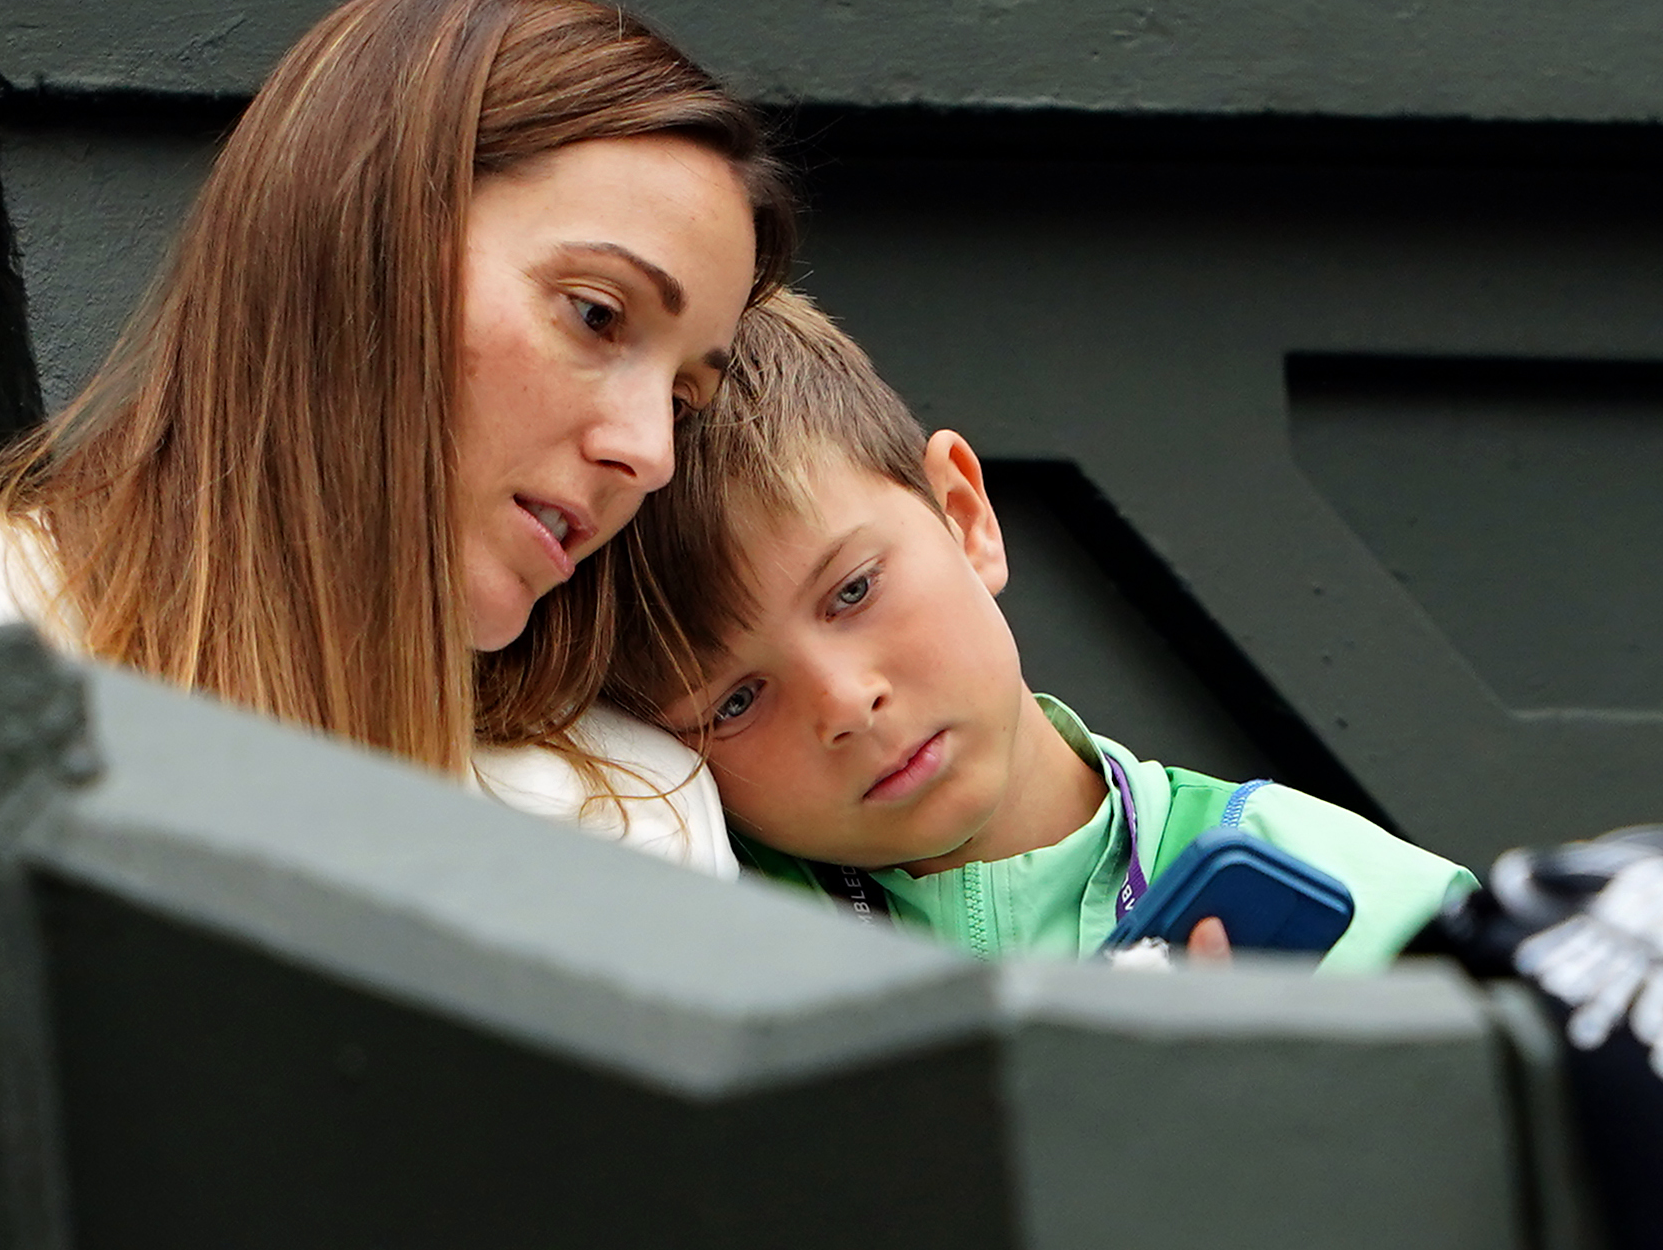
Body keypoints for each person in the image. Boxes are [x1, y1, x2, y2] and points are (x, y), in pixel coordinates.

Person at [0, 0, 796, 880]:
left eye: (682, 399)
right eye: (597, 313)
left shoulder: (636, 818)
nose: (649, 453)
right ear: (360, 242)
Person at [601, 289, 1476, 966]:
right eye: (735, 701)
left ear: (964, 514)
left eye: (854, 590)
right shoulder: (694, 936)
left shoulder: (1361, 895)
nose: (846, 703)